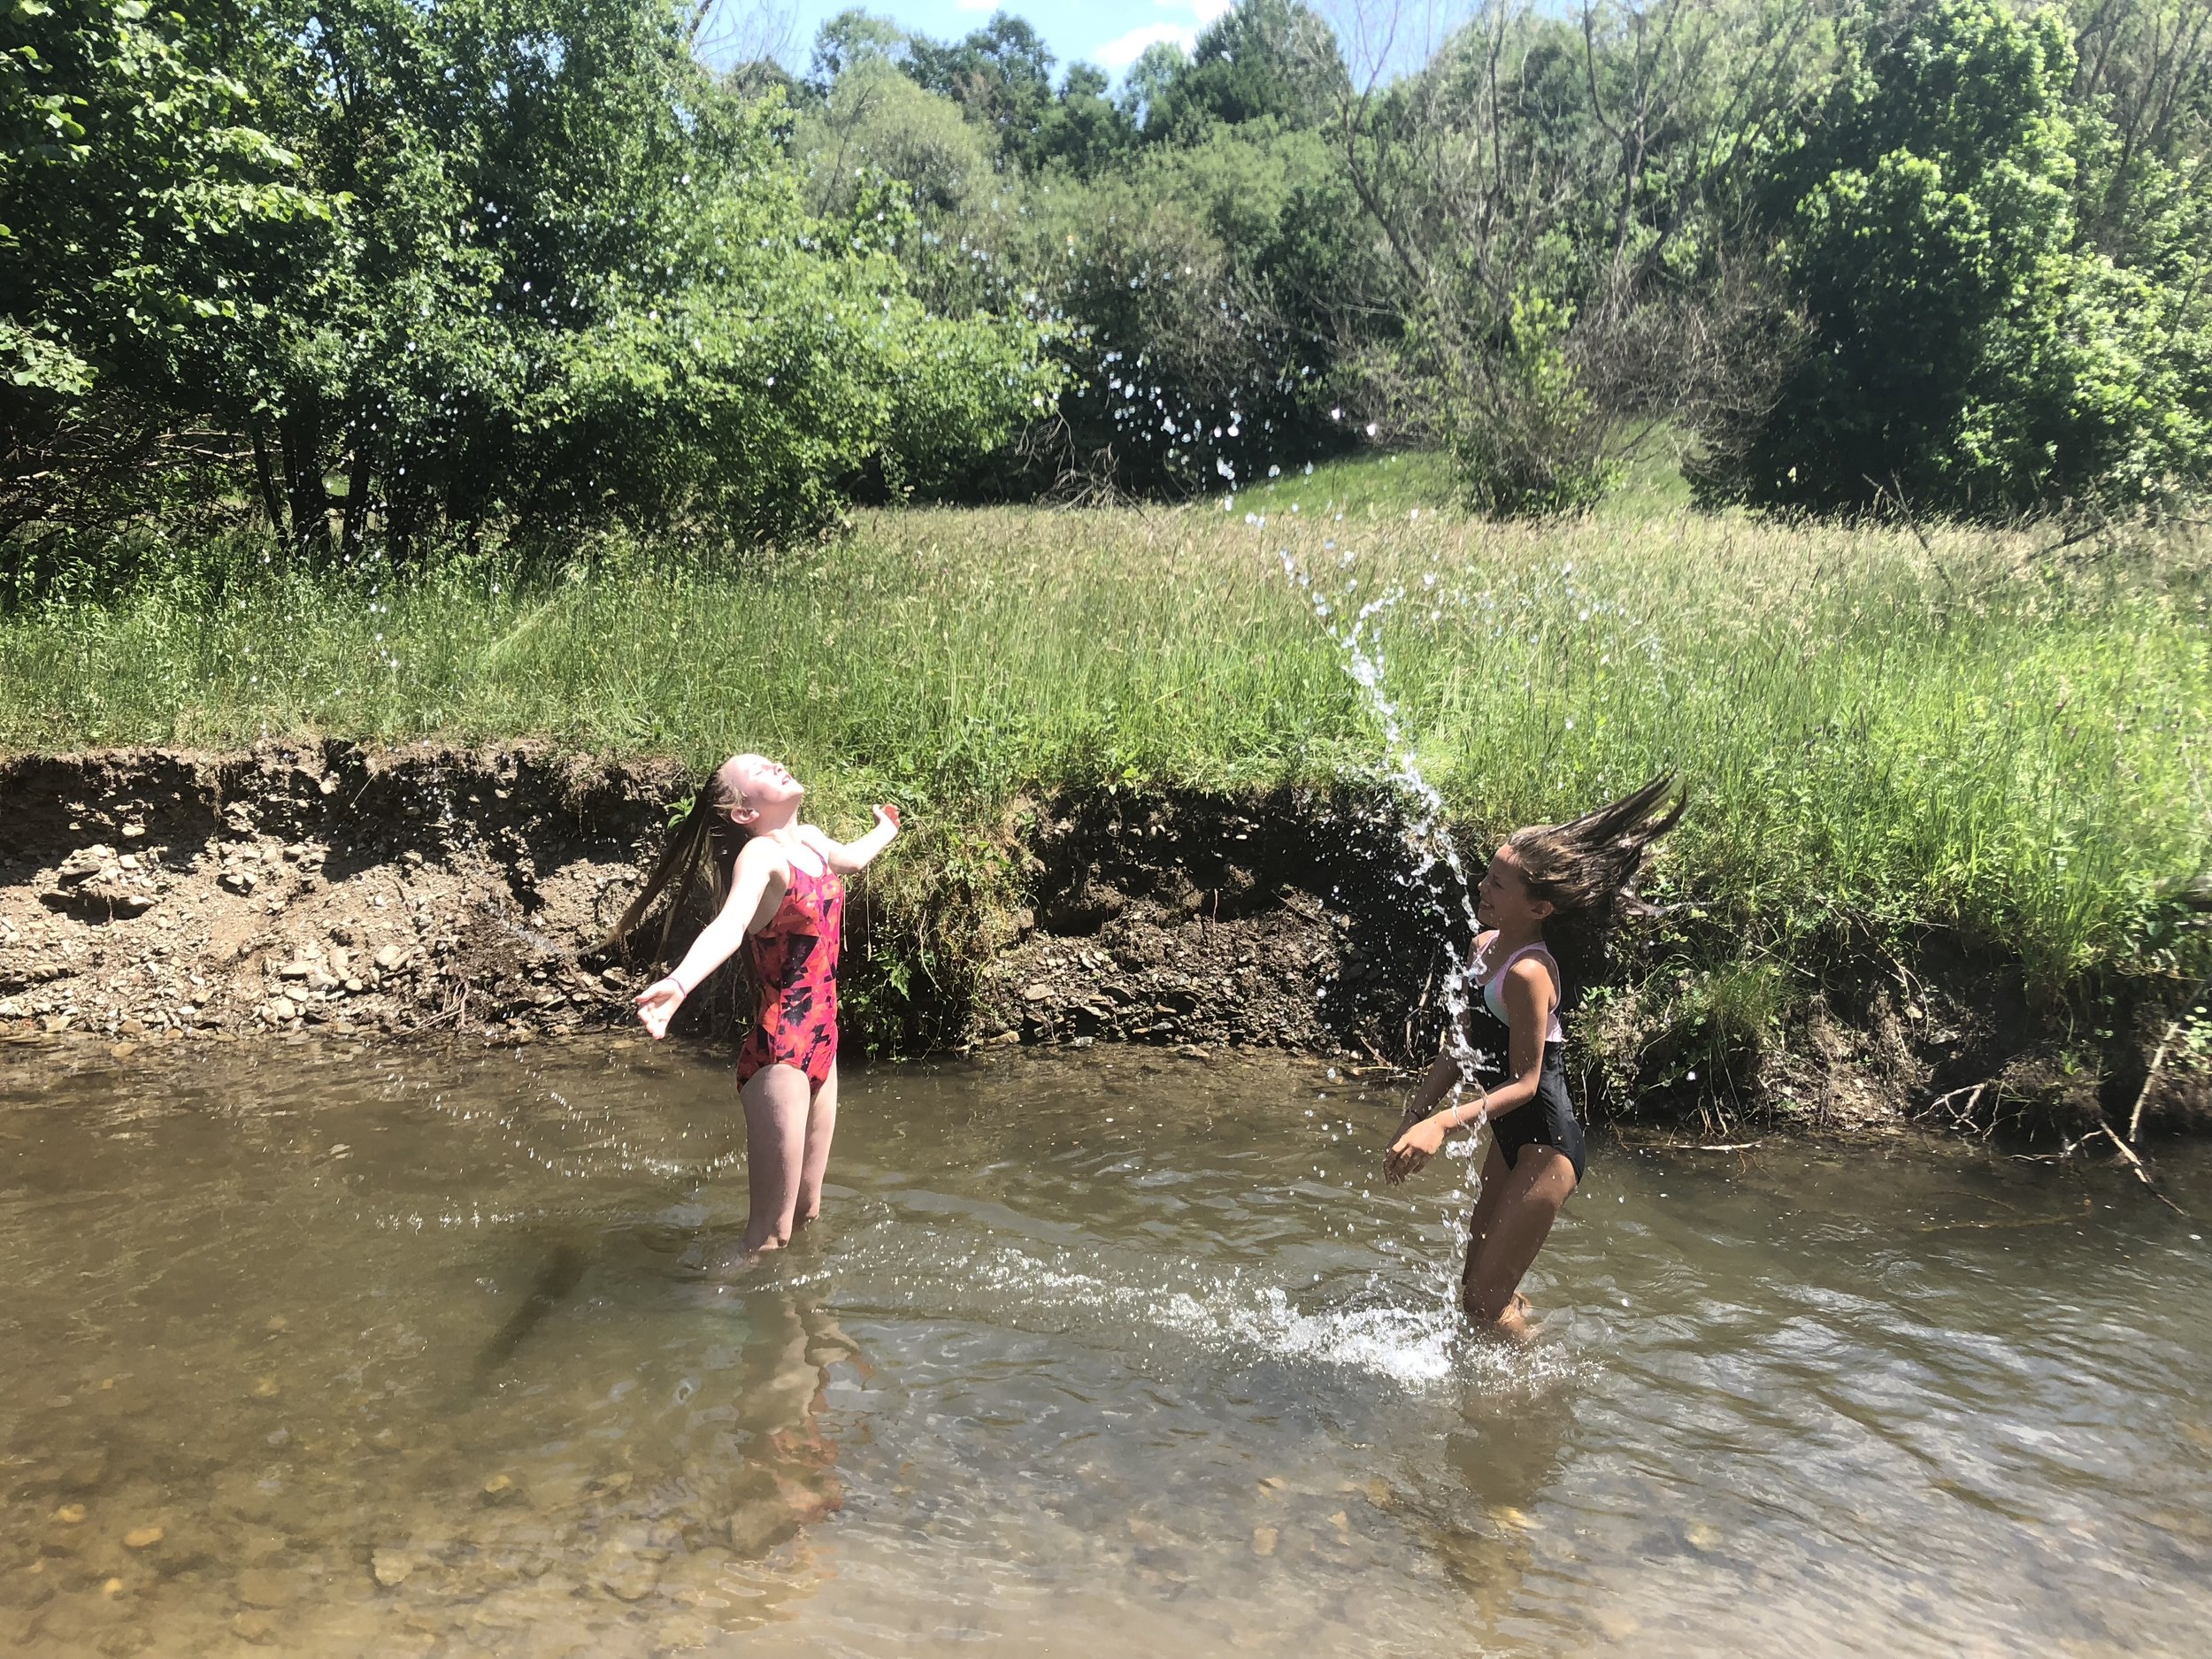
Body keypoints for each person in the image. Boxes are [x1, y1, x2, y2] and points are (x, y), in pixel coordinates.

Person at [1384, 776, 1681, 1338]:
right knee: (1474, 1289)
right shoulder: (1483, 947)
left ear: (1540, 906)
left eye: (1499, 884)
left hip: (1548, 1149)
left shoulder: (1529, 973)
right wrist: (1416, 1114)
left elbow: (1526, 1083)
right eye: (1487, 876)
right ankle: (1504, 1390)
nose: (1483, 887)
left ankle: (1538, 1393)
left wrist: (1444, 1124)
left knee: (1483, 1302)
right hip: (1512, 1140)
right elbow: (1462, 1045)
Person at [609, 754, 901, 1272]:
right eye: (762, 772)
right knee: (769, 1235)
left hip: (823, 1041)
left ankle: (804, 1327)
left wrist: (884, 830)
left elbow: (851, 861)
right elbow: (729, 926)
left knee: (809, 1211)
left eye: (774, 762)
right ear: (743, 812)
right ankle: (714, 1311)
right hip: (781, 1049)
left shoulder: (809, 838)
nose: (779, 767)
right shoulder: (761, 858)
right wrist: (679, 984)